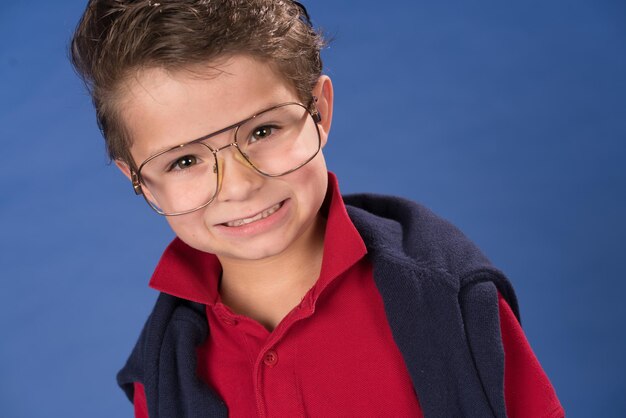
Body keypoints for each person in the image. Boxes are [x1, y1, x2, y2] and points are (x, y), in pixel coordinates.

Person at [70, 1, 564, 417]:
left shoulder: (448, 298)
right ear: (140, 182)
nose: (239, 185)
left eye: (263, 131)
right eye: (183, 160)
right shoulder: (160, 371)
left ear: (319, 112)